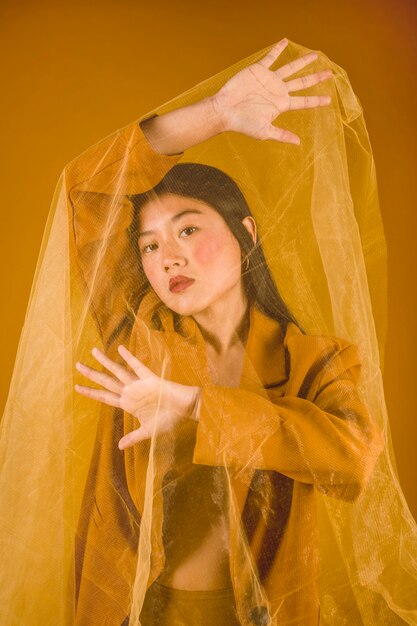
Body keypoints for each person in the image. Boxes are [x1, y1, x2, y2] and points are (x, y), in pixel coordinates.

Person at [2, 37, 416, 626]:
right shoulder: (136, 328)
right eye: (149, 244)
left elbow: (351, 458)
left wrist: (195, 409)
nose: (168, 257)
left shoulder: (314, 362)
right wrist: (216, 115)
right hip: (132, 611)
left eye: (189, 230)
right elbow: (85, 187)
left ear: (246, 232)